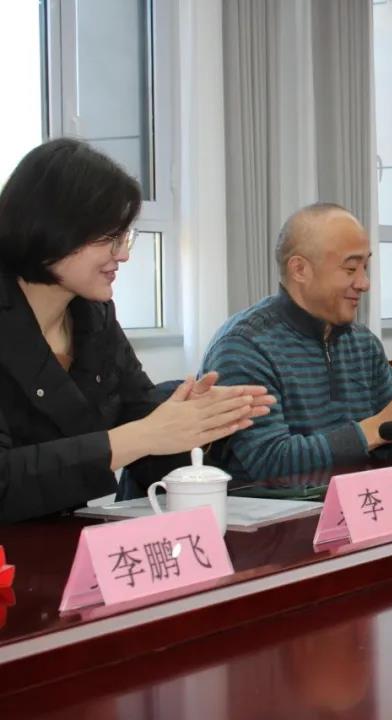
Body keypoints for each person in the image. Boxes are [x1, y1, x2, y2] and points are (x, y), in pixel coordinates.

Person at [0, 138, 274, 523]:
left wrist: (195, 422)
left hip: (66, 539)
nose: (124, 254)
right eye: (109, 238)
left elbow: (145, 441)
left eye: (125, 237)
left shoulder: (94, 318)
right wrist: (144, 435)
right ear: (52, 228)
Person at [201, 202, 392, 480]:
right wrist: (376, 428)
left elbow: (389, 441)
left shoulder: (362, 342)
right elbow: (270, 462)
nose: (364, 283)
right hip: (280, 506)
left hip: (364, 499)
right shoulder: (245, 347)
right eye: (350, 269)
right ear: (300, 270)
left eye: (365, 267)